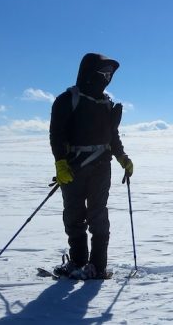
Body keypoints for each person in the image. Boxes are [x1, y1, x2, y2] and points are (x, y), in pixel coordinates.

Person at [49, 53, 134, 279]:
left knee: (98, 215)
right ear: (89, 73)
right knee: (73, 215)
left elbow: (112, 137)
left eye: (110, 74)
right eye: (103, 73)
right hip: (73, 166)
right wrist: (60, 163)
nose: (107, 78)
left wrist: (123, 157)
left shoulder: (106, 104)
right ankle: (78, 261)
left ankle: (97, 266)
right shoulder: (67, 100)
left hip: (100, 167)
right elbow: (56, 135)